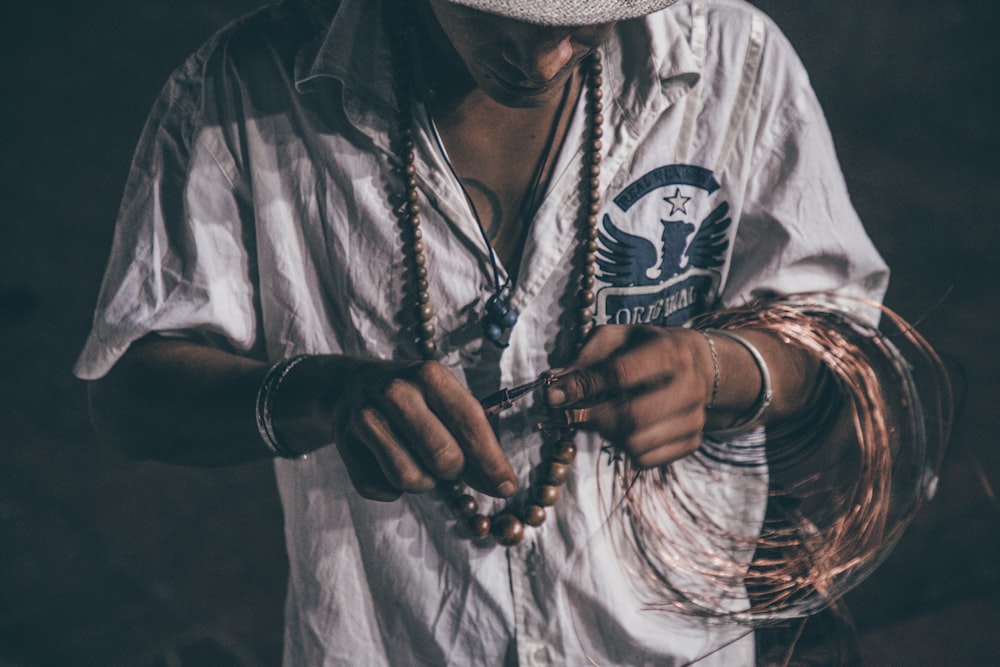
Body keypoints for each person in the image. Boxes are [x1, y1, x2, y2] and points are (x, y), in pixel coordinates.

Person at [76, 0, 893, 663]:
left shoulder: (734, 60)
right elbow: (129, 397)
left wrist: (724, 370)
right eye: (493, 13)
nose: (538, 60)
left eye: (580, 17)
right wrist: (320, 396)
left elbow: (841, 336)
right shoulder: (250, 89)